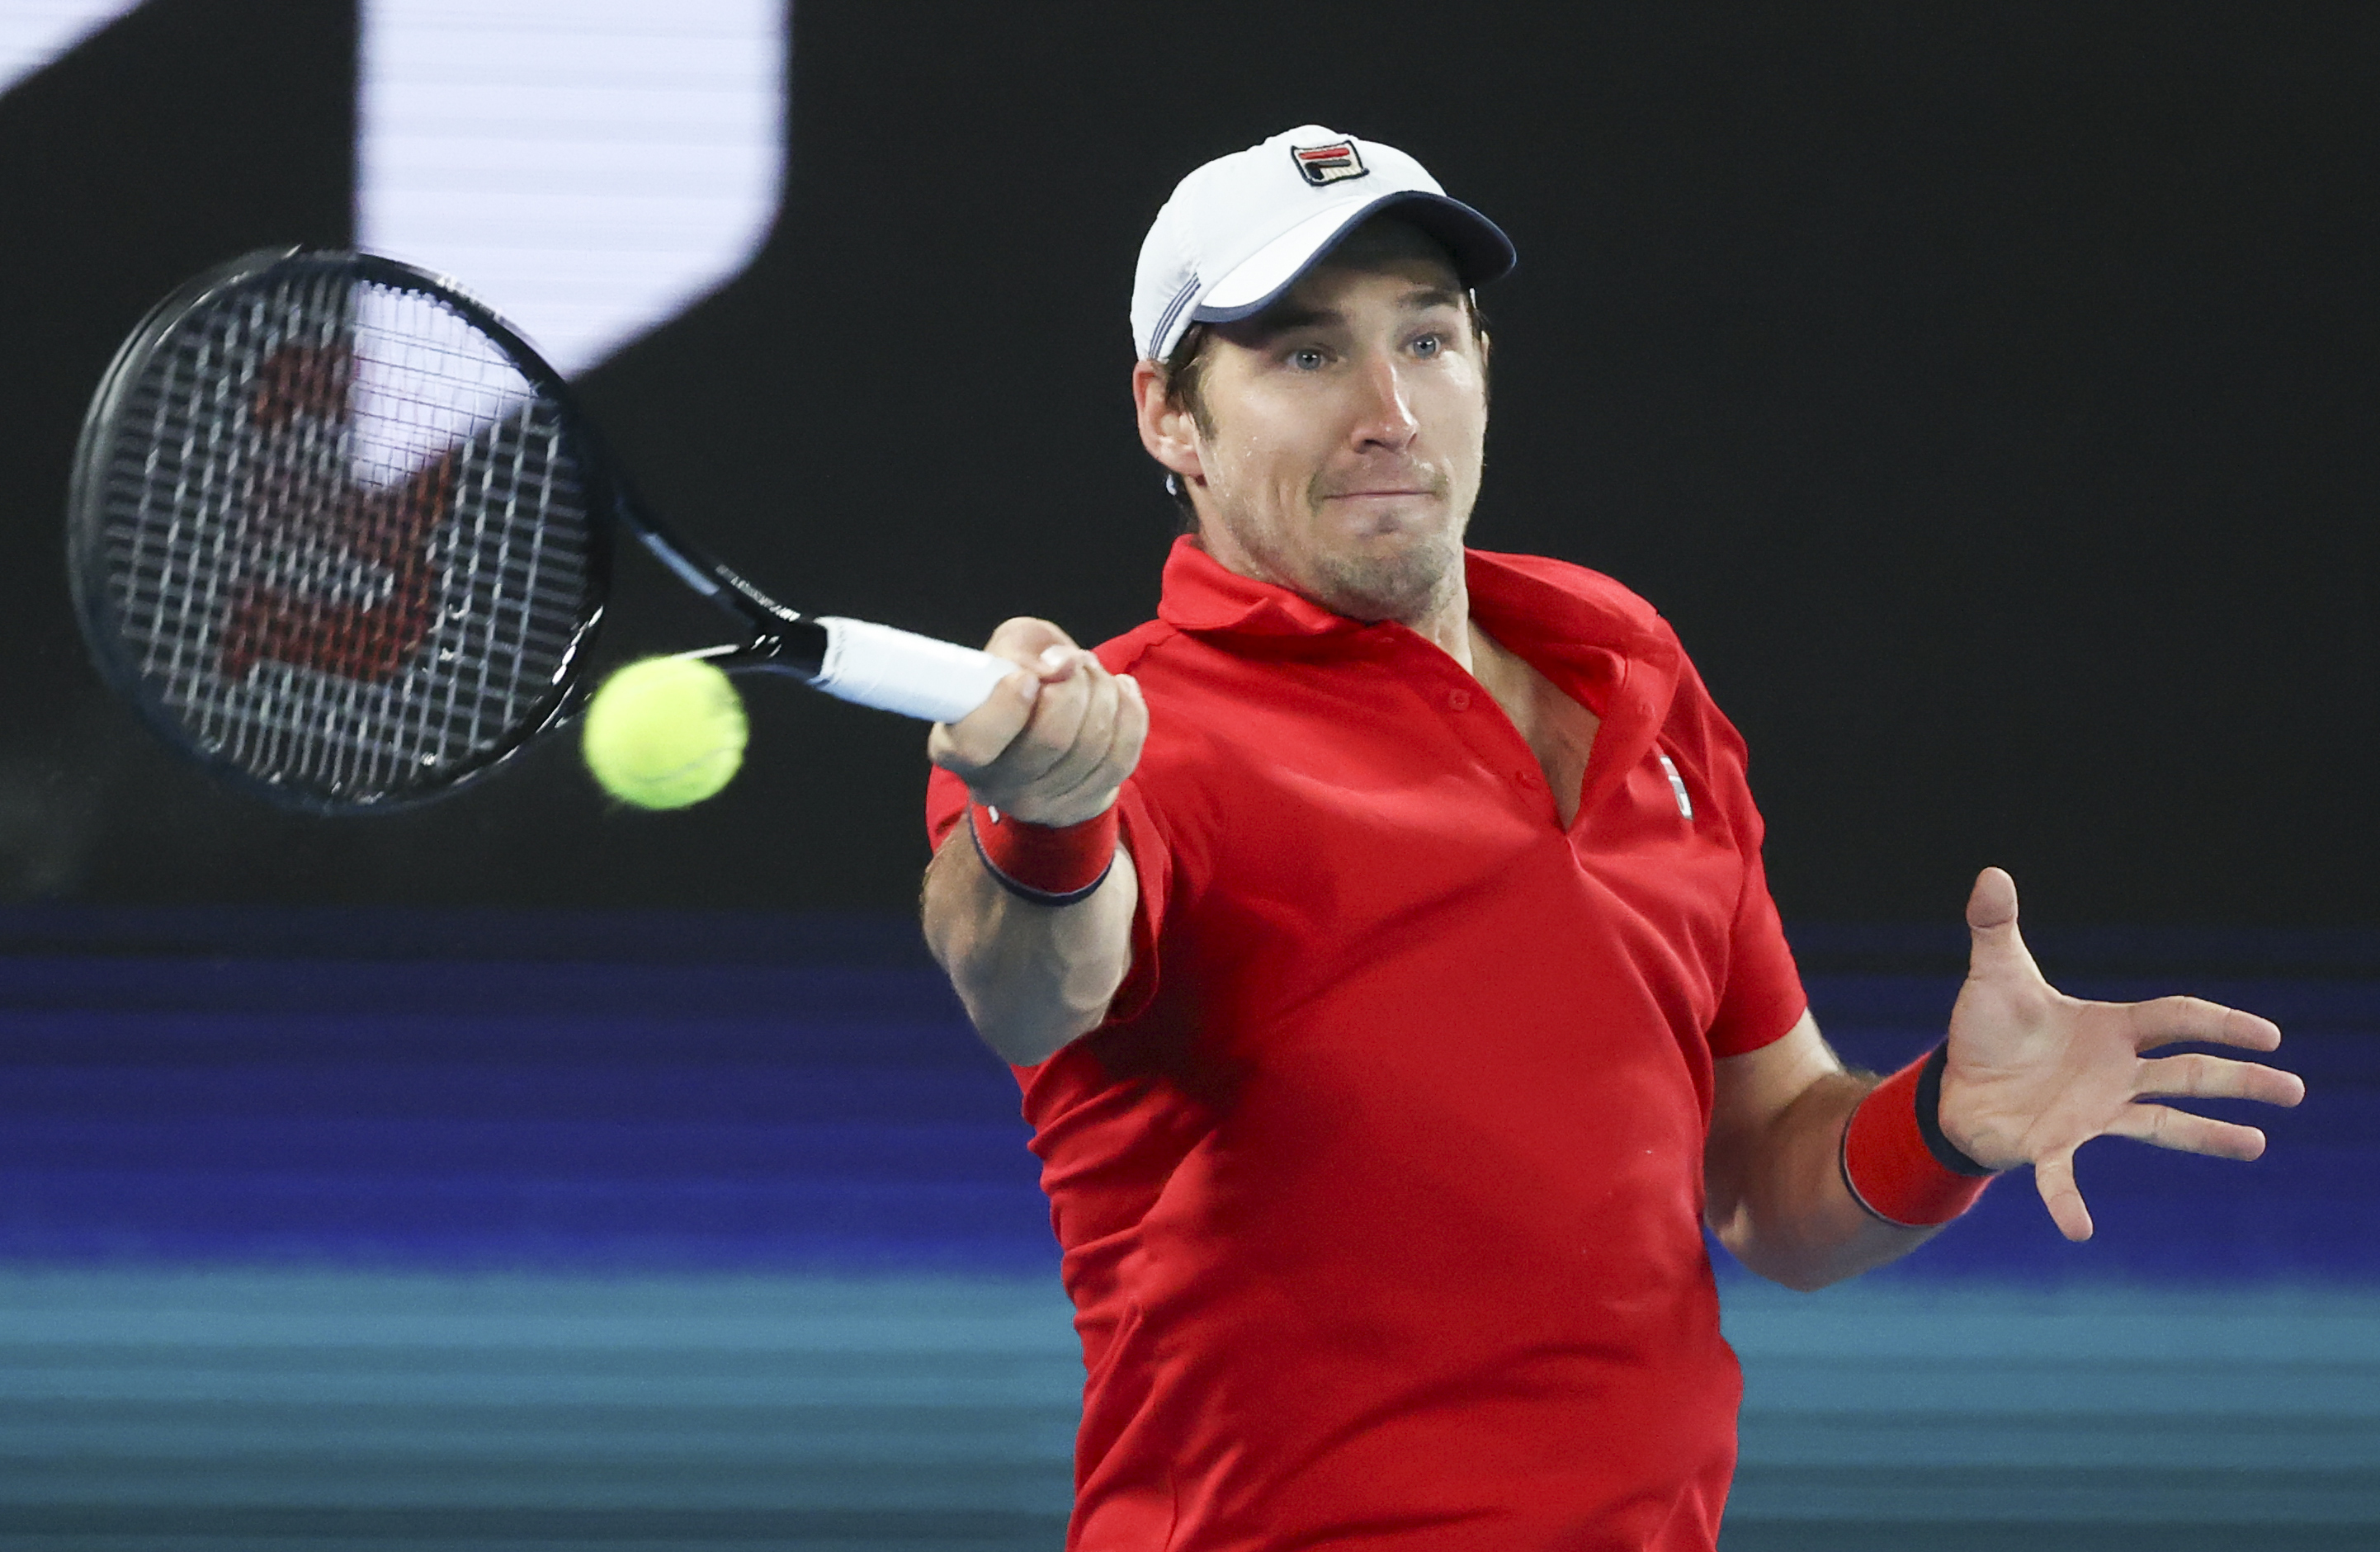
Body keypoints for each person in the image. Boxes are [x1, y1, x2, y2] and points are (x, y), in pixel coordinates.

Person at [917, 126, 2304, 1551]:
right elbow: (1032, 984)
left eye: (1429, 339)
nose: (1389, 409)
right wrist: (1050, 813)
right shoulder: (1117, 739)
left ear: (1484, 363)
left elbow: (1770, 1178)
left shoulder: (1628, 663)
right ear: (1170, 415)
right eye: (1306, 356)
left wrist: (1945, 1117)